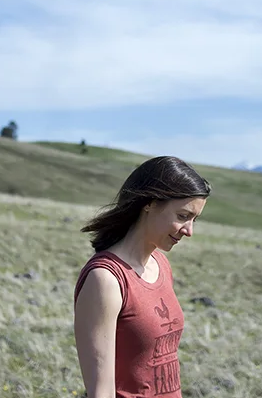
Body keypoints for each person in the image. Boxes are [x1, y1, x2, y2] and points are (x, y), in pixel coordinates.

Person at [73, 156, 211, 398]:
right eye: (182, 216)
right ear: (149, 203)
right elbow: (100, 391)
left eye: (194, 219)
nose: (189, 231)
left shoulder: (161, 265)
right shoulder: (106, 280)